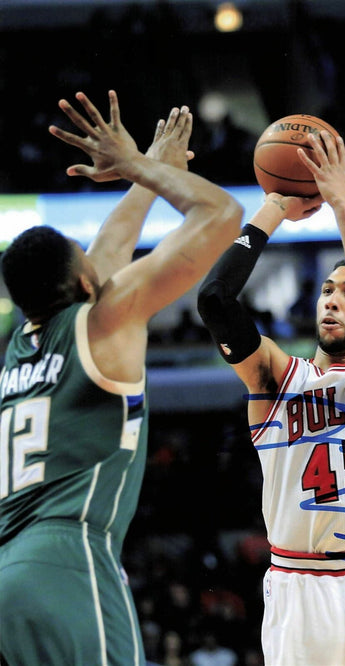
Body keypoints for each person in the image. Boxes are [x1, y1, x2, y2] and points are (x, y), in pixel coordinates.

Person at [0, 90, 242, 666]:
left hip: (7, 571)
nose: (99, 262)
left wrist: (150, 170)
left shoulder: (21, 344)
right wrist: (140, 166)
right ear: (86, 286)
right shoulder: (106, 318)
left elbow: (106, 252)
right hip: (70, 560)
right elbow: (222, 215)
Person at [198, 129, 345, 665]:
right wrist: (273, 209)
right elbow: (215, 299)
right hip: (300, 586)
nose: (333, 299)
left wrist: (342, 201)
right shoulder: (277, 377)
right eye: (328, 289)